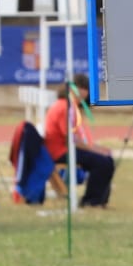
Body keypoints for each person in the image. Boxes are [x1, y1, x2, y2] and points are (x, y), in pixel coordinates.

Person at [43, 74, 114, 207]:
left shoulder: (71, 107)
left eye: (86, 89)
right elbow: (71, 139)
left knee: (107, 159)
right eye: (82, 88)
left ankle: (99, 200)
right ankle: (91, 201)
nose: (85, 93)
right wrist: (94, 149)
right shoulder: (65, 107)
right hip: (60, 151)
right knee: (102, 162)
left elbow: (77, 137)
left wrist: (97, 148)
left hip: (66, 148)